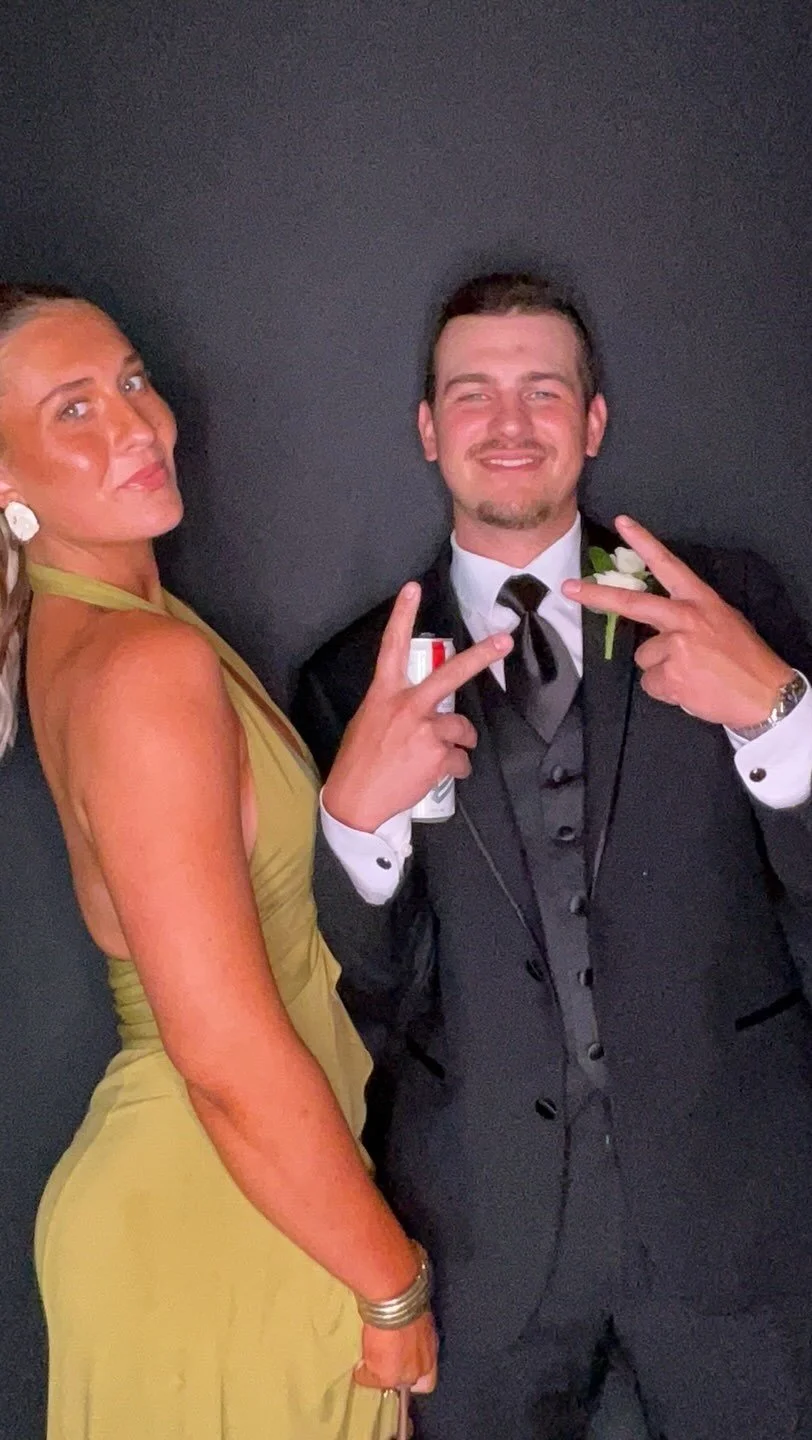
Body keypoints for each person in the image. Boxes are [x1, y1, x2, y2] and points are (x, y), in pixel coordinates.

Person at [294, 271, 812, 1440]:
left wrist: (780, 717)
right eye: (470, 393)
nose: (508, 422)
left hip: (737, 1208)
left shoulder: (725, 602)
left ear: (592, 420)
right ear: (427, 429)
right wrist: (355, 826)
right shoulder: (349, 679)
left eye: (542, 389)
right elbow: (361, 985)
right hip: (482, 1234)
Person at [0, 281, 508, 1440]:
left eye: (132, 380)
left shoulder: (114, 630)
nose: (138, 424)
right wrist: (389, 1282)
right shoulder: (142, 668)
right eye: (72, 409)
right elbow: (223, 1055)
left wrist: (345, 809)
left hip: (249, 1196)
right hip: (228, 1216)